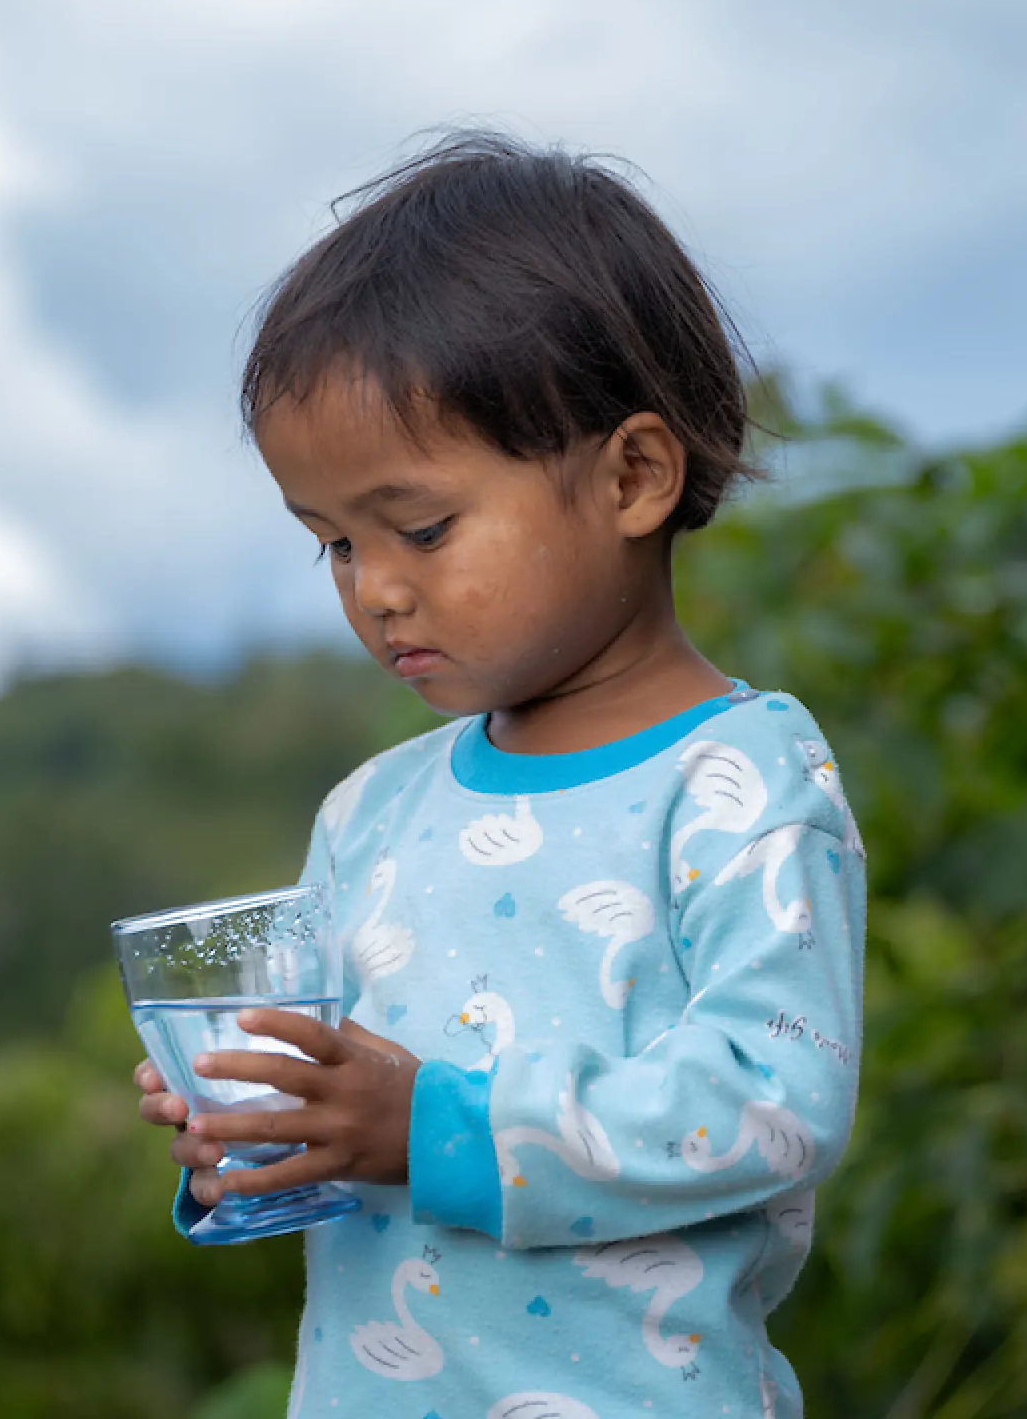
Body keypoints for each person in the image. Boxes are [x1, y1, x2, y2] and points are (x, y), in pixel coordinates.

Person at [132, 132, 866, 1418]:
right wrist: (249, 1125)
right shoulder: (370, 811)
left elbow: (774, 1097)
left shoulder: (737, 778)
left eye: (420, 528)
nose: (379, 588)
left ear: (634, 475)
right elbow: (353, 1132)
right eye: (334, 547)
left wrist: (430, 1127)